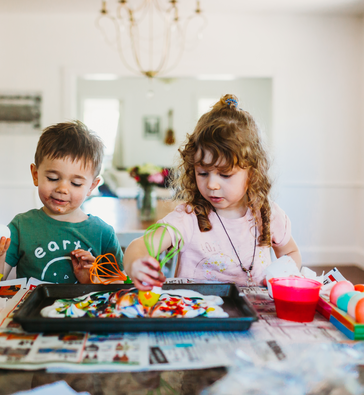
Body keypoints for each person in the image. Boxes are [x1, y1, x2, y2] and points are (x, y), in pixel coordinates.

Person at [124, 94, 301, 290]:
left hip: (256, 316)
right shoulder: (188, 219)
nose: (212, 184)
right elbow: (139, 246)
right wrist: (135, 264)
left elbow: (290, 253)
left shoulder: (267, 215)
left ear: (252, 173)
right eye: (203, 173)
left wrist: (284, 276)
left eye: (225, 174)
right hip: (197, 315)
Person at [0, 120, 124, 284]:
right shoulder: (22, 226)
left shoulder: (102, 233)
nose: (62, 189)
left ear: (91, 187)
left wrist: (92, 279)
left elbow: (118, 288)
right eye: (53, 178)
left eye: (75, 183)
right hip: (33, 309)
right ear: (35, 175)